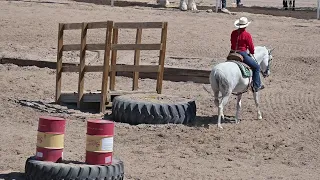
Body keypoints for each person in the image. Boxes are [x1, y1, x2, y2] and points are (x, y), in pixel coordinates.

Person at [230, 17, 264, 92]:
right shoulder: (247, 35)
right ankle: (257, 85)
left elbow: (232, 42)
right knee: (257, 67)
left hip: (232, 53)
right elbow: (251, 47)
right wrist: (252, 52)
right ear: (245, 26)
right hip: (242, 53)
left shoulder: (233, 33)